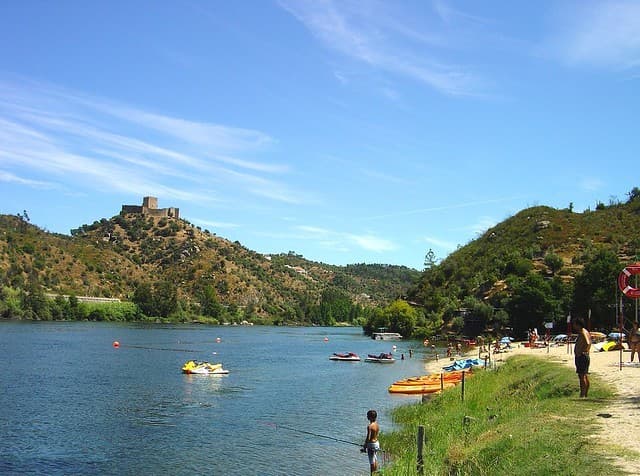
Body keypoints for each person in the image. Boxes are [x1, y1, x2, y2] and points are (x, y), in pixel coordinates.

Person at [573, 317, 592, 398]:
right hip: (583, 356)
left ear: (578, 325)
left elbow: (588, 343)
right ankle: (585, 394)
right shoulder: (585, 331)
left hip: (582, 357)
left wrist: (582, 352)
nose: (574, 326)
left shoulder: (583, 332)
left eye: (574, 324)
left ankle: (582, 394)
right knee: (584, 375)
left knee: (582, 376)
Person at [362, 409, 380, 474]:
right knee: (375, 459)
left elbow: (368, 438)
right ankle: (376, 473)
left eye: (367, 416)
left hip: (371, 445)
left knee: (371, 462)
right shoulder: (377, 425)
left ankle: (372, 474)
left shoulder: (369, 426)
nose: (367, 417)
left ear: (370, 417)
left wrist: (364, 447)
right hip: (377, 443)